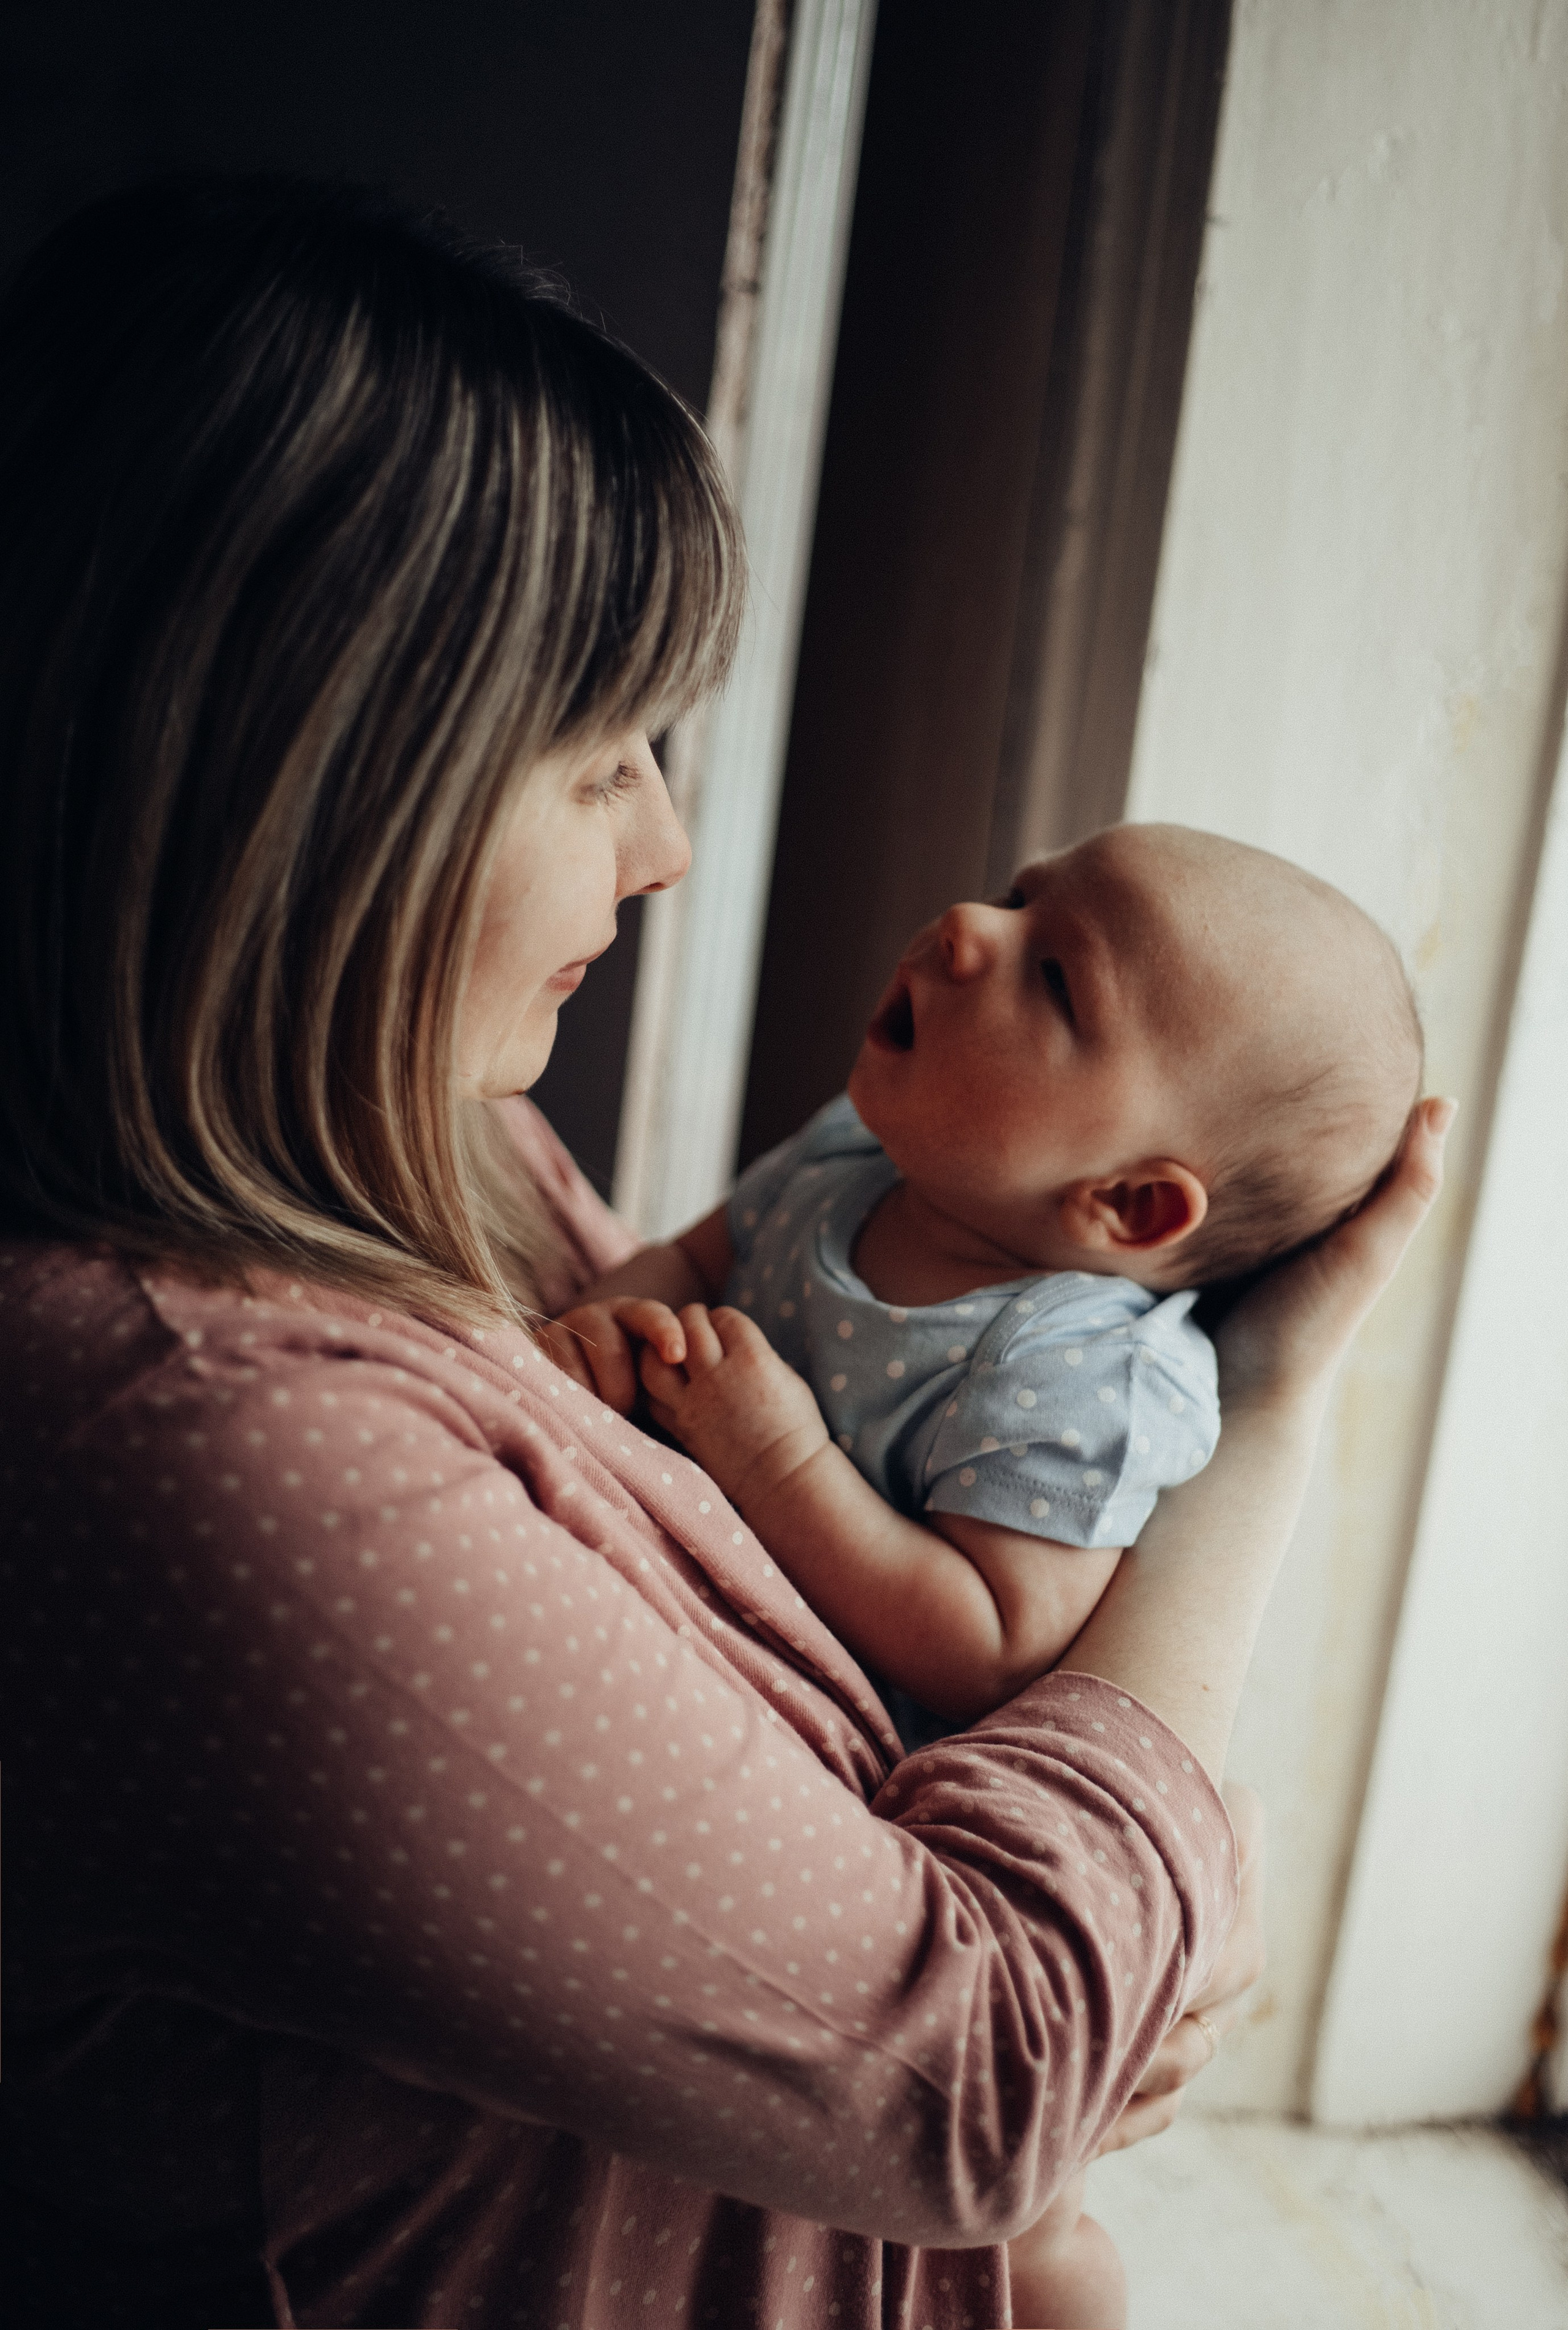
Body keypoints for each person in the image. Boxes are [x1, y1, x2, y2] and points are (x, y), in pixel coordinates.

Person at [0, 172, 1452, 2330]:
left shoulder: (429, 1143)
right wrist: (1259, 1424)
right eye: (600, 760)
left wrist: (1094, 1922)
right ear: (333, 795)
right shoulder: (199, 1437)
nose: (669, 843)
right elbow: (990, 2077)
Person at [540, 826, 1423, 2326]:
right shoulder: (850, 1152)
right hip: (768, 1733)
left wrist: (776, 1462)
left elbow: (997, 1647)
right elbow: (696, 1255)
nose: (962, 927)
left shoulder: (1077, 1369)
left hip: (935, 1807)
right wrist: (601, 1331)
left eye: (1054, 978)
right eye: (1019, 900)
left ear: (1132, 1210)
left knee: (1026, 2234)